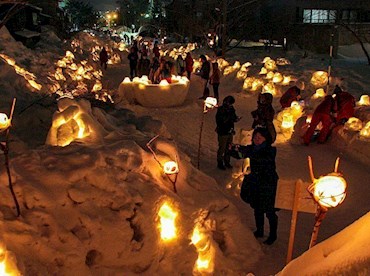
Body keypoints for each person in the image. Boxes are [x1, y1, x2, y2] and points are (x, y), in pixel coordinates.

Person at [229, 127, 279, 245]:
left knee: (269, 210)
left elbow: (259, 157)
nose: (257, 139)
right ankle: (260, 230)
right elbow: (241, 153)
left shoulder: (270, 151)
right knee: (257, 208)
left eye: (259, 138)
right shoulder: (253, 148)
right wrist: (232, 149)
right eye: (255, 137)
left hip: (268, 184)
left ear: (265, 139)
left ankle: (273, 235)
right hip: (256, 182)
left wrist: (246, 151)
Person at [215, 95, 241, 170]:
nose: (230, 105)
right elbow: (220, 121)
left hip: (230, 131)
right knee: (222, 148)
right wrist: (229, 117)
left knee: (229, 147)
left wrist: (236, 119)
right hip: (223, 131)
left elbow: (233, 117)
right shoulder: (221, 110)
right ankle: (220, 162)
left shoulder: (231, 109)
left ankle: (227, 161)